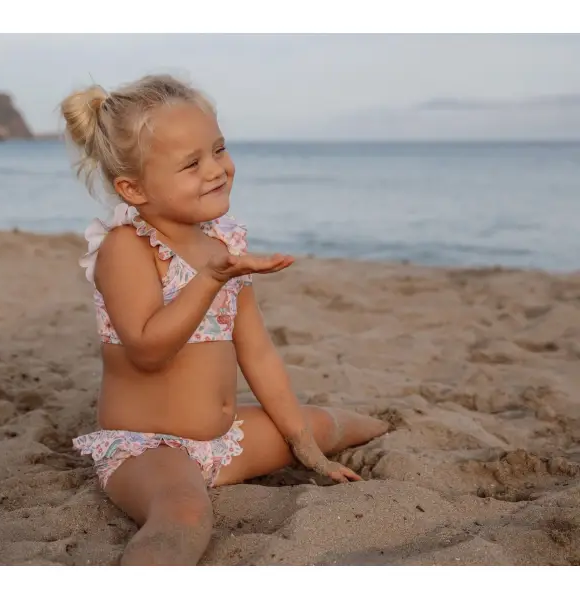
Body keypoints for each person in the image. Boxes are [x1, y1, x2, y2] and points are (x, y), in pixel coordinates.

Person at [61, 74, 389, 566]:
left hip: (225, 441)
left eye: (218, 149)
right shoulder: (126, 248)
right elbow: (147, 349)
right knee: (185, 513)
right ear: (134, 188)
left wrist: (305, 447)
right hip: (149, 448)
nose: (216, 169)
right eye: (191, 163)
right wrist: (212, 277)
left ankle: (386, 425)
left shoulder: (222, 242)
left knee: (321, 424)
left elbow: (257, 352)